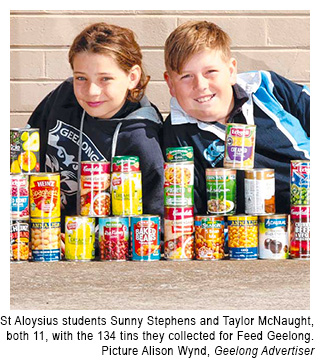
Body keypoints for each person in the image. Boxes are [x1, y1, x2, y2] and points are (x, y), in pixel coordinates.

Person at [162, 20, 310, 215]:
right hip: (246, 235)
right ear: (170, 84)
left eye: (210, 72)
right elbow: (189, 210)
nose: (200, 85)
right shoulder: (175, 135)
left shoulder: (266, 87)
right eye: (186, 76)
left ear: (231, 71)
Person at [27, 22, 164, 228]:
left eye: (105, 79)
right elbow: (24, 158)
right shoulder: (63, 98)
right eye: (81, 78)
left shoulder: (144, 136)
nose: (91, 91)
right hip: (44, 238)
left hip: (106, 251)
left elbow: (156, 221)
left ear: (132, 77)